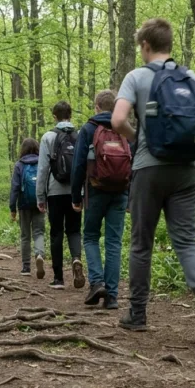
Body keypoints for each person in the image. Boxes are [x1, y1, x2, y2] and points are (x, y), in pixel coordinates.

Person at [111, 17, 195, 345]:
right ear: (169, 45)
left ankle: (137, 315)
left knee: (141, 243)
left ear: (145, 46)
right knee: (188, 241)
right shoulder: (190, 77)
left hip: (149, 168)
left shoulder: (136, 76)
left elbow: (118, 119)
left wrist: (137, 138)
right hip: (188, 171)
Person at [71, 89, 132, 310]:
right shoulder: (124, 129)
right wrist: (130, 198)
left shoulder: (89, 128)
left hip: (95, 190)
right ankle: (112, 296)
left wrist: (75, 195)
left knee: (90, 237)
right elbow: (133, 165)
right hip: (120, 192)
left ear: (97, 106)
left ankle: (97, 283)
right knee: (114, 242)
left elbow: (78, 165)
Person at [37, 101, 85, 290]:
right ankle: (76, 259)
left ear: (54, 117)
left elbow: (42, 169)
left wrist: (40, 197)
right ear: (70, 115)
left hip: (54, 192)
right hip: (76, 192)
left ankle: (58, 278)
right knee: (74, 230)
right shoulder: (80, 135)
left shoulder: (48, 137)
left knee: (56, 232)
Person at [9, 138, 46, 278]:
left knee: (25, 235)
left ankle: (26, 267)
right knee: (39, 232)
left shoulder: (19, 165)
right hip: (40, 202)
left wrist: (12, 208)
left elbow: (15, 188)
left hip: (24, 204)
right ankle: (39, 254)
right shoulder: (42, 162)